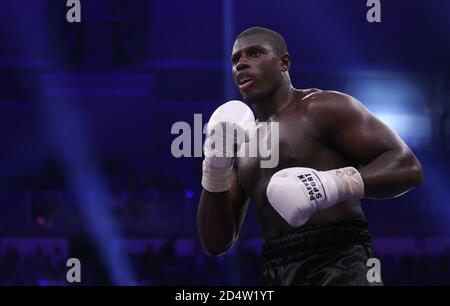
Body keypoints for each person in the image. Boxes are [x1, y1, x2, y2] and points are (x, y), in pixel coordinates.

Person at [196, 27, 424, 285]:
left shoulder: (322, 108)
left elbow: (408, 167)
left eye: (255, 53)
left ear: (284, 62)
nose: (242, 64)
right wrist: (214, 166)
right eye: (236, 59)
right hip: (275, 268)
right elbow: (215, 243)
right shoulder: (240, 143)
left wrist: (329, 185)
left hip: (340, 260)